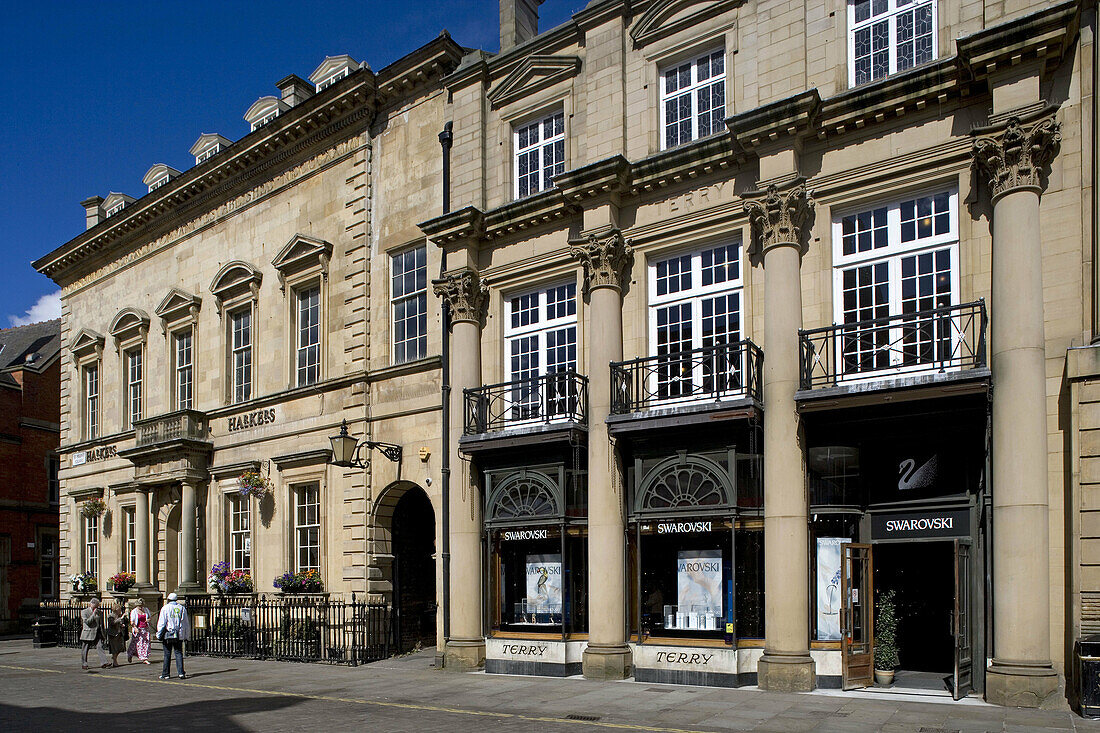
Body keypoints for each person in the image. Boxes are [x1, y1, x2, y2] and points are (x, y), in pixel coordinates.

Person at [156, 592, 190, 680]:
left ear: (168, 599)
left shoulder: (165, 608)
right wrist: (187, 635)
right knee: (178, 653)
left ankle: (166, 674)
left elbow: (162, 622)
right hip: (179, 634)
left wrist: (159, 634)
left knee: (167, 654)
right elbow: (185, 623)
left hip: (168, 634)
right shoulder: (182, 608)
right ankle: (181, 673)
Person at [79, 597, 108, 670]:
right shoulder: (84, 612)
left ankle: (104, 662)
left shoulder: (100, 612)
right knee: (85, 649)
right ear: (91, 604)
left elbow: (101, 624)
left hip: (97, 632)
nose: (96, 608)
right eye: (95, 606)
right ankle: (84, 663)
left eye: (97, 606)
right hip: (88, 633)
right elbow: (87, 622)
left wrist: (103, 634)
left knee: (100, 647)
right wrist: (93, 614)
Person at [127, 598, 152, 663]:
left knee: (145, 643)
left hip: (145, 629)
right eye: (139, 606)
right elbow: (132, 622)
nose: (140, 607)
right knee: (135, 644)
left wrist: (148, 620)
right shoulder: (134, 611)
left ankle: (144, 658)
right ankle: (130, 654)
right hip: (138, 629)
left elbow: (149, 617)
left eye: (141, 606)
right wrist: (135, 628)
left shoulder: (146, 610)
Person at [106, 602, 128, 666]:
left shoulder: (118, 616)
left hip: (119, 633)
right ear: (116, 609)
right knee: (114, 648)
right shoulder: (110, 616)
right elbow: (112, 623)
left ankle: (114, 657)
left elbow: (119, 623)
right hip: (113, 634)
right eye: (119, 609)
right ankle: (115, 661)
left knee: (120, 648)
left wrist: (122, 625)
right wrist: (120, 619)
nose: (120, 611)